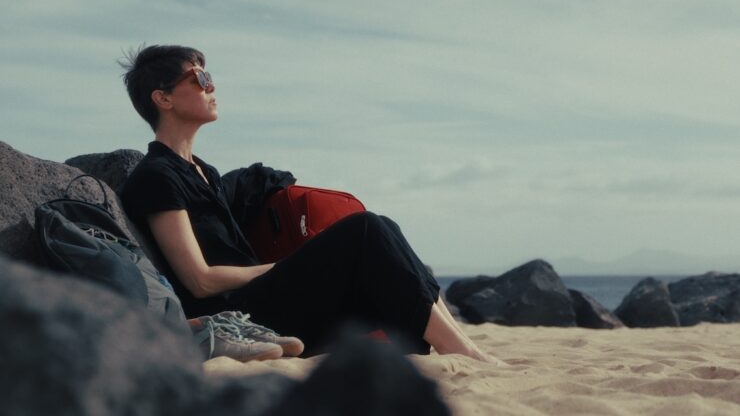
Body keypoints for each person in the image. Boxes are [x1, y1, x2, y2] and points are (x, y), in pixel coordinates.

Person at [119, 44, 495, 362]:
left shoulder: (204, 172)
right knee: (365, 229)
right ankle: (461, 352)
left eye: (209, 76)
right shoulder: (156, 175)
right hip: (236, 319)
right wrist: (285, 266)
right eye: (199, 78)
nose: (211, 85)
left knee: (384, 229)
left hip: (264, 305)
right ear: (163, 98)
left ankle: (461, 347)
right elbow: (199, 280)